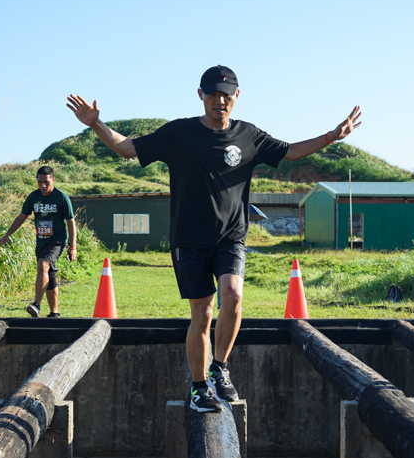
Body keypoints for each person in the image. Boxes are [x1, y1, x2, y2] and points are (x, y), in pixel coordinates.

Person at [66, 65, 362, 412]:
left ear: (237, 96)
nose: (219, 100)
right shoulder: (180, 133)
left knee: (233, 294)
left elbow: (290, 152)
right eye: (213, 94)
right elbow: (128, 149)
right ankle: (198, 386)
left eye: (226, 94)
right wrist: (96, 125)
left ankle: (219, 367)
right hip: (188, 239)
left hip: (231, 236)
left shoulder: (249, 136)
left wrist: (330, 136)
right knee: (203, 313)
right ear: (201, 95)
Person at [0, 165, 77, 318]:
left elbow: (70, 221)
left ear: (53, 180)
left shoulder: (61, 197)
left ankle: (36, 304)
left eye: (46, 182)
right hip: (41, 241)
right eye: (40, 182)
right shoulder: (33, 197)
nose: (43, 185)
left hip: (57, 241)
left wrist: (72, 246)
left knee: (43, 264)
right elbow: (22, 217)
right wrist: (8, 234)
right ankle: (55, 313)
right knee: (49, 274)